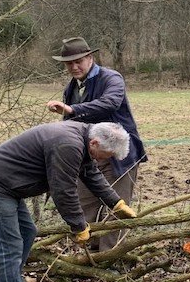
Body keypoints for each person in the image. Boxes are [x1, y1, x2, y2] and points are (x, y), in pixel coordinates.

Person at [0, 121, 138, 282]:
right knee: (8, 248)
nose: (103, 160)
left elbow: (90, 173)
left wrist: (116, 202)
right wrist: (78, 226)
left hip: (6, 187)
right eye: (106, 155)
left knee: (27, 233)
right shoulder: (67, 144)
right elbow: (63, 189)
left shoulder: (83, 140)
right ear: (94, 143)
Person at [46, 37, 146, 251]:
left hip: (118, 156)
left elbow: (110, 103)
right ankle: (90, 255)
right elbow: (69, 126)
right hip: (88, 158)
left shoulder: (111, 78)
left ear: (90, 58)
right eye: (69, 63)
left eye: (78, 61)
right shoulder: (71, 88)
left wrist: (73, 109)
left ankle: (112, 258)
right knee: (84, 205)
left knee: (117, 209)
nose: (74, 67)